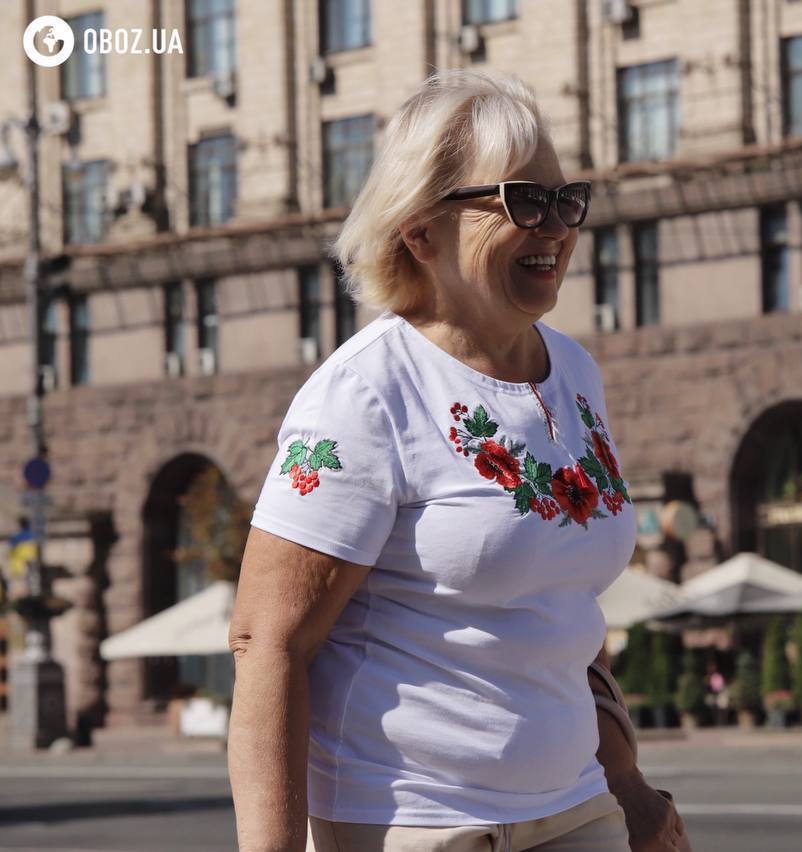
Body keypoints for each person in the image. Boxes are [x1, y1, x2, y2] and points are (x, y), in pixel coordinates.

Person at [227, 70, 690, 852]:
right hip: (413, 820)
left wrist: (628, 786)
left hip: (578, 807)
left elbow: (568, 609)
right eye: (522, 203)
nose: (554, 228)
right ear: (420, 231)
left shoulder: (575, 374)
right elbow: (269, 642)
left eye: (565, 200)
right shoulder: (365, 393)